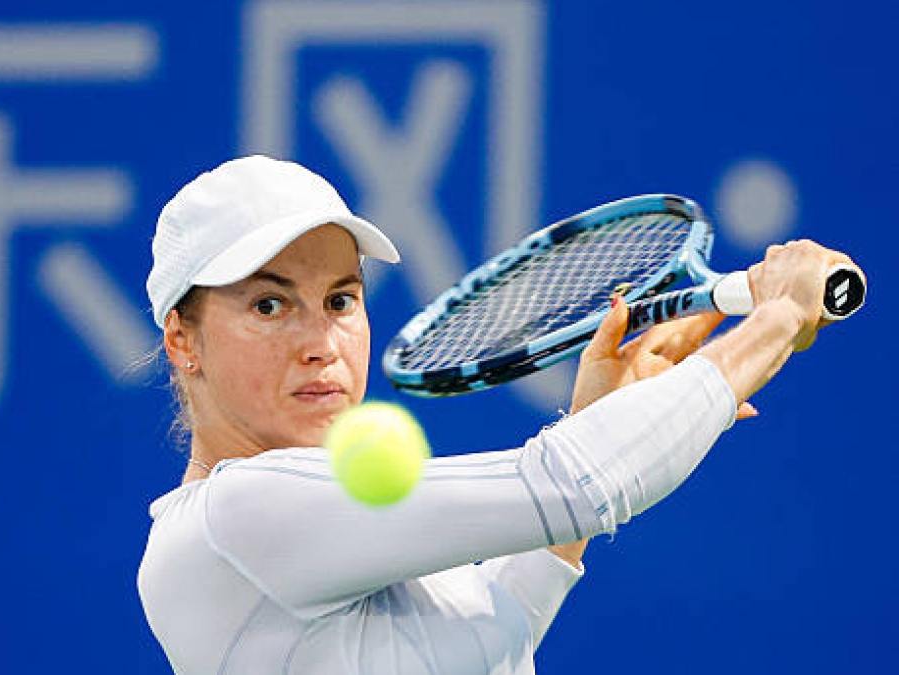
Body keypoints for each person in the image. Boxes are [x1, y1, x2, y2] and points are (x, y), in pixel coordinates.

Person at [137, 155, 857, 674]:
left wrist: (593, 415)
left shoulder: (308, 532)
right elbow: (572, 484)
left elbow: (491, 632)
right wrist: (780, 317)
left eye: (340, 300)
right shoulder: (232, 517)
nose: (322, 343)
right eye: (270, 304)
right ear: (183, 340)